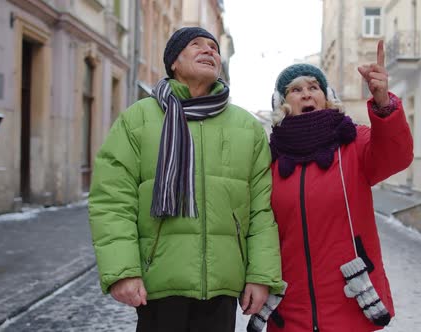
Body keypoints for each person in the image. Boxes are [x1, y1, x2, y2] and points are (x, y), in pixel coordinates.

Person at [88, 26, 284, 332]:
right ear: (173, 63)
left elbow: (261, 210)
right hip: (158, 283)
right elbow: (112, 200)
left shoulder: (247, 128)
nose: (209, 51)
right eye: (196, 45)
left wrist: (260, 275)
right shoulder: (137, 119)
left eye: (214, 47)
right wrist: (122, 271)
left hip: (221, 286)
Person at [264, 41, 413, 332]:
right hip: (290, 308)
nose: (306, 93)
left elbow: (397, 156)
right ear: (281, 103)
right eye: (295, 90)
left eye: (313, 87)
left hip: (352, 300)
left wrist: (384, 104)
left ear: (326, 97)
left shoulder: (352, 142)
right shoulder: (269, 158)